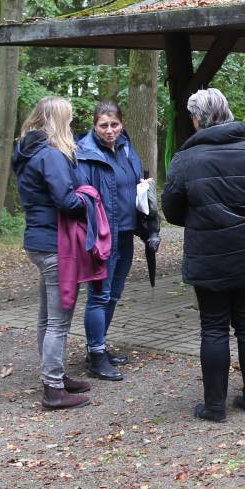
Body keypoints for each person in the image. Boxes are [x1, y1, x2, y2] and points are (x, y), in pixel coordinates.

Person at [160, 88, 245, 420]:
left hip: (208, 255)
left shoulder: (185, 158)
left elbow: (172, 210)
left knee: (214, 327)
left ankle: (215, 406)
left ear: (197, 119)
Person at [11, 97, 92, 410]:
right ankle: (54, 389)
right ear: (59, 121)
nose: (71, 125)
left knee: (47, 316)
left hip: (38, 240)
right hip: (55, 244)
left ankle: (53, 375)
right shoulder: (51, 155)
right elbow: (67, 201)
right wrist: (89, 199)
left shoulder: (27, 151)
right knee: (59, 320)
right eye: (68, 119)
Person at [75, 100, 161, 381]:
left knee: (113, 294)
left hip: (125, 233)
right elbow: (82, 196)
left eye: (114, 124)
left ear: (121, 124)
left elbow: (137, 184)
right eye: (103, 125)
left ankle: (98, 347)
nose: (109, 130)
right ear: (94, 125)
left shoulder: (126, 147)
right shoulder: (84, 153)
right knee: (99, 295)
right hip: (101, 235)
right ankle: (96, 354)